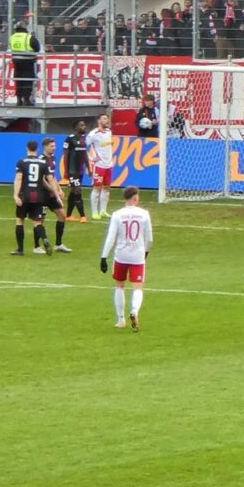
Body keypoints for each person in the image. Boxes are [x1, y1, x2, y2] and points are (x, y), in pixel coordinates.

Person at [99, 186, 153, 331]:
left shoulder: (117, 214)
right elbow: (150, 238)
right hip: (137, 255)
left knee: (119, 286)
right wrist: (146, 252)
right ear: (135, 198)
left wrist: (104, 257)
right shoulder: (144, 214)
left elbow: (111, 237)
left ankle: (121, 319)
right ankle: (134, 311)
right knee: (137, 287)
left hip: (121, 255)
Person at [11, 139, 55, 256]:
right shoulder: (43, 163)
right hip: (38, 196)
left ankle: (20, 249)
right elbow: (50, 180)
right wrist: (56, 193)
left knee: (20, 220)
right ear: (37, 149)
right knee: (37, 222)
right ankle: (44, 238)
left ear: (27, 149)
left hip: (25, 195)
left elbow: (19, 179)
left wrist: (16, 195)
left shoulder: (21, 162)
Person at [42, 138, 73, 253]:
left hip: (52, 194)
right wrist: (53, 190)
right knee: (40, 220)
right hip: (43, 195)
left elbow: (53, 177)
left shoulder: (52, 159)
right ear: (45, 147)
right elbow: (42, 180)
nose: (54, 148)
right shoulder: (42, 160)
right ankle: (37, 246)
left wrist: (59, 189)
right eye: (51, 146)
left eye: (54, 146)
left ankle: (58, 244)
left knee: (62, 215)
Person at [85, 113, 115, 218]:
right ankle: (94, 212)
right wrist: (91, 159)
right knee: (97, 188)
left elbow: (108, 146)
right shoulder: (93, 134)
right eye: (104, 119)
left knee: (107, 188)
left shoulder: (109, 132)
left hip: (108, 165)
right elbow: (84, 146)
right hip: (99, 165)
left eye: (107, 119)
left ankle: (103, 211)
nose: (107, 120)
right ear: (99, 121)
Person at [62, 122, 89, 223]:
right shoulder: (70, 139)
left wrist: (88, 168)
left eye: (84, 125)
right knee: (77, 191)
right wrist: (66, 171)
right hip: (72, 170)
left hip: (80, 170)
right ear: (76, 127)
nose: (84, 127)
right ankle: (83, 216)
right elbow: (65, 156)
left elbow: (84, 154)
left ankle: (68, 215)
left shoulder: (83, 138)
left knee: (74, 192)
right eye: (82, 125)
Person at [9, 21, 40, 106]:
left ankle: (19, 100)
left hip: (16, 62)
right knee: (27, 81)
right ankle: (27, 100)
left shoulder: (12, 37)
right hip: (28, 61)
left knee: (18, 81)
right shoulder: (29, 37)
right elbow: (37, 48)